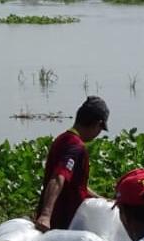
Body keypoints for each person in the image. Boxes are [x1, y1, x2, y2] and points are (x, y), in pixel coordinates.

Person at [32, 96, 109, 232]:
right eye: (100, 129)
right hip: (63, 223)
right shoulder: (75, 146)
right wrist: (46, 215)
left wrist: (102, 200)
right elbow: (58, 177)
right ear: (98, 124)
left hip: (66, 222)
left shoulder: (63, 139)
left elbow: (77, 184)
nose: (98, 134)